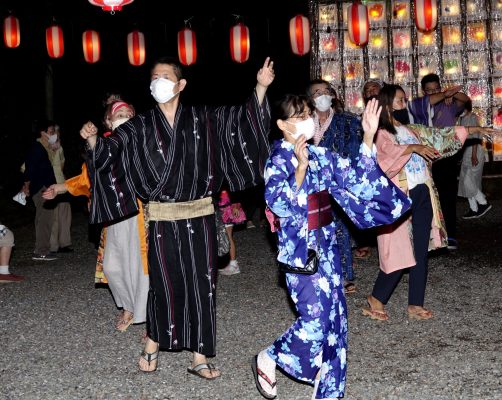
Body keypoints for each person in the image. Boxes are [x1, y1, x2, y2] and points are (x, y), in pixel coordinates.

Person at [80, 56, 275, 378]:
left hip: (199, 215)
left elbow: (242, 121)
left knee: (203, 285)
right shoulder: (139, 125)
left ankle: (199, 355)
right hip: (161, 219)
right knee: (163, 284)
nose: (159, 82)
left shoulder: (204, 118)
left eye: (166, 76)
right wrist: (91, 140)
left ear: (181, 84)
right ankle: (154, 342)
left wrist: (261, 86)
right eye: (154, 77)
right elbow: (110, 152)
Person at [252, 95, 411, 400]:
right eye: (299, 117)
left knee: (335, 323)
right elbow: (279, 205)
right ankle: (271, 357)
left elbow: (355, 174)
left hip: (327, 249)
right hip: (300, 253)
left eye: (308, 115)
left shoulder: (320, 155)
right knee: (314, 322)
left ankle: (327, 394)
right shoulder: (278, 159)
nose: (307, 121)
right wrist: (299, 170)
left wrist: (367, 134)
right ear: (283, 125)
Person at [363, 84, 494, 322]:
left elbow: (440, 135)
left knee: (420, 249)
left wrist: (474, 128)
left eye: (404, 99)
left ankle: (415, 304)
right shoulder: (380, 134)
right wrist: (412, 147)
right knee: (400, 250)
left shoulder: (411, 129)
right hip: (400, 197)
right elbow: (383, 161)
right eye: (400, 100)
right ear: (387, 104)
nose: (405, 103)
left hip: (422, 192)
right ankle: (377, 298)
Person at [44, 101, 148, 332]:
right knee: (112, 267)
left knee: (141, 266)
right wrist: (59, 188)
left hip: (140, 214)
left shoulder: (142, 143)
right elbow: (86, 179)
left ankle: (147, 320)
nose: (125, 118)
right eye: (119, 115)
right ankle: (129, 306)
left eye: (129, 114)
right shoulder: (102, 147)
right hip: (113, 216)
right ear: (108, 122)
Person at [307, 78, 363, 293]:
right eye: (316, 92)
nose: (322, 95)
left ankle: (345, 275)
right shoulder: (303, 121)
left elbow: (355, 151)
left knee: (340, 230)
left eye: (325, 91)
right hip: (311, 184)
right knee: (313, 230)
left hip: (337, 183)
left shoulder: (347, 121)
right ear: (310, 99)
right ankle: (316, 274)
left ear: (332, 95)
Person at [408, 74, 470, 250]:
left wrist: (449, 94)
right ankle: (428, 235)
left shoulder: (449, 104)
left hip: (446, 156)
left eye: (436, 88)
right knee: (425, 196)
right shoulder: (420, 106)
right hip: (424, 155)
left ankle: (450, 234)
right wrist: (443, 94)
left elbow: (465, 99)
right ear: (423, 91)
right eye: (429, 90)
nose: (433, 92)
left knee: (447, 195)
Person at [21, 120, 57, 261]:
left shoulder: (45, 147)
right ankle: (41, 251)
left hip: (45, 186)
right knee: (44, 219)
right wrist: (26, 185)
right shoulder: (37, 148)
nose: (53, 134)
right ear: (42, 133)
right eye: (51, 131)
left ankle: (42, 249)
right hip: (41, 187)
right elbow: (29, 169)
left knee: (45, 218)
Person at [457, 100, 492, 219]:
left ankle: (483, 203)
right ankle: (474, 208)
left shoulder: (472, 117)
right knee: (466, 181)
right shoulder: (461, 119)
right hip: (467, 152)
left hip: (474, 152)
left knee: (468, 180)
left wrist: (473, 155)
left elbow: (476, 138)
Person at [45, 124, 73, 254]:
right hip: (50, 184)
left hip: (62, 184)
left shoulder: (60, 148)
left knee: (65, 213)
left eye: (58, 133)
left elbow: (62, 165)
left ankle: (64, 244)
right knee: (54, 216)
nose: (57, 135)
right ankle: (53, 246)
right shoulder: (44, 148)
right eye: (54, 133)